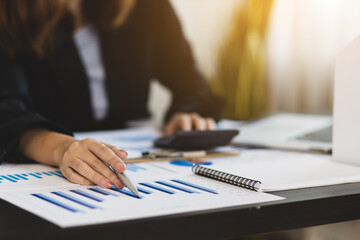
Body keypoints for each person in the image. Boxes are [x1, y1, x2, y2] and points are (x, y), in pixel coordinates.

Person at [0, 0, 224, 189]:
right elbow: (6, 111)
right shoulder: (9, 12)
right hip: (48, 169)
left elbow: (192, 85)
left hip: (139, 159)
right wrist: (61, 148)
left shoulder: (148, 6)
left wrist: (186, 114)